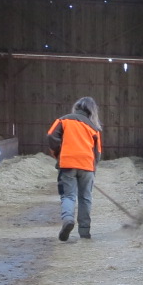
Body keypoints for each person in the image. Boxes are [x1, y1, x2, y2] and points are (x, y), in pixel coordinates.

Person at [46, 96, 103, 241]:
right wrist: (92, 170)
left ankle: (68, 219)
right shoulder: (93, 127)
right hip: (87, 166)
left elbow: (51, 136)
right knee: (85, 198)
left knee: (68, 196)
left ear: (76, 107)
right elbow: (98, 152)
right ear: (92, 111)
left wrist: (59, 154)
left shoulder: (63, 120)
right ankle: (84, 232)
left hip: (68, 164)